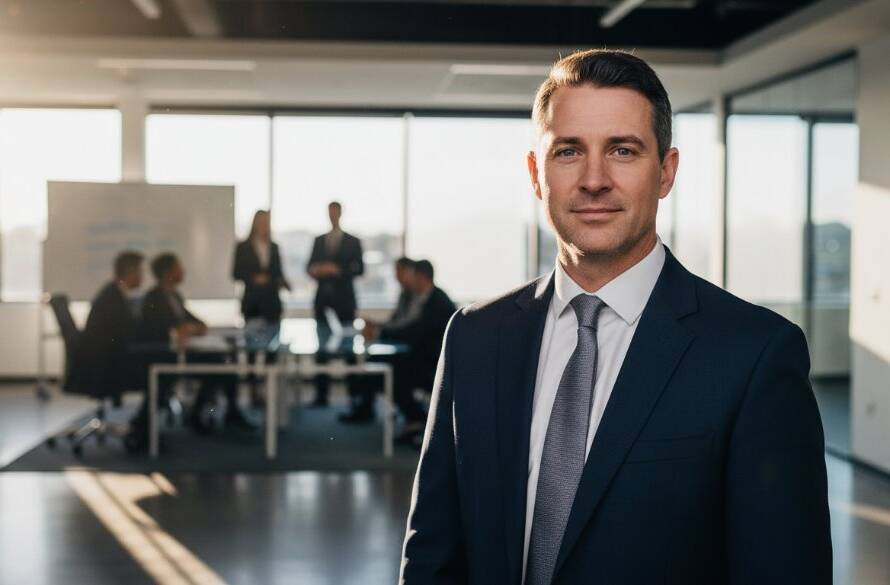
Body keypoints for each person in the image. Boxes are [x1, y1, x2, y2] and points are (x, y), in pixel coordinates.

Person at [401, 49, 831, 585]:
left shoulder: (754, 354)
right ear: (537, 174)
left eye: (623, 150)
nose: (595, 179)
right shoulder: (473, 337)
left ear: (666, 172)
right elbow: (432, 558)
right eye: (568, 152)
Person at [137, 253, 255, 436]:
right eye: (179, 268)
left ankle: (222, 413)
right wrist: (184, 329)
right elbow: (167, 330)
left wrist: (189, 328)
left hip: (184, 351)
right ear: (168, 273)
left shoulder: (174, 295)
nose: (183, 272)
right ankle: (201, 415)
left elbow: (195, 324)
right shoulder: (153, 298)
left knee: (224, 363)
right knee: (219, 366)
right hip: (167, 356)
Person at [345, 260, 455, 440]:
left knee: (389, 371)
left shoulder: (437, 301)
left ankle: (417, 418)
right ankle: (412, 416)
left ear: (421, 277)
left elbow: (415, 332)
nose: (408, 281)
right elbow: (407, 327)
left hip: (434, 364)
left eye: (411, 276)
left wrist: (380, 331)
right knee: (380, 364)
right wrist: (379, 329)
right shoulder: (421, 298)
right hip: (420, 356)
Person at [306, 201, 364, 406]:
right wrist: (318, 270)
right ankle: (321, 396)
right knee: (321, 351)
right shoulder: (318, 241)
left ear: (340, 214)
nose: (332, 216)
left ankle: (354, 396)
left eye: (335, 213)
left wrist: (337, 270)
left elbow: (360, 269)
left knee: (349, 351)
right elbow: (309, 267)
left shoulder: (353, 241)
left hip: (344, 303)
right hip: (323, 302)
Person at [77, 250, 144, 401]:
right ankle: (145, 419)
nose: (143, 277)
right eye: (140, 271)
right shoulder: (112, 298)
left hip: (103, 360)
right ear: (130, 272)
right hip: (106, 365)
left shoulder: (114, 292)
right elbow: (126, 333)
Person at [232, 209, 290, 324]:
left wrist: (283, 283)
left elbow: (278, 272)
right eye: (261, 221)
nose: (263, 224)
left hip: (272, 302)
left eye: (266, 221)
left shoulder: (274, 247)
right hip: (252, 302)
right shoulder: (243, 247)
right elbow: (236, 273)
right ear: (255, 222)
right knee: (251, 338)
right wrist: (254, 278)